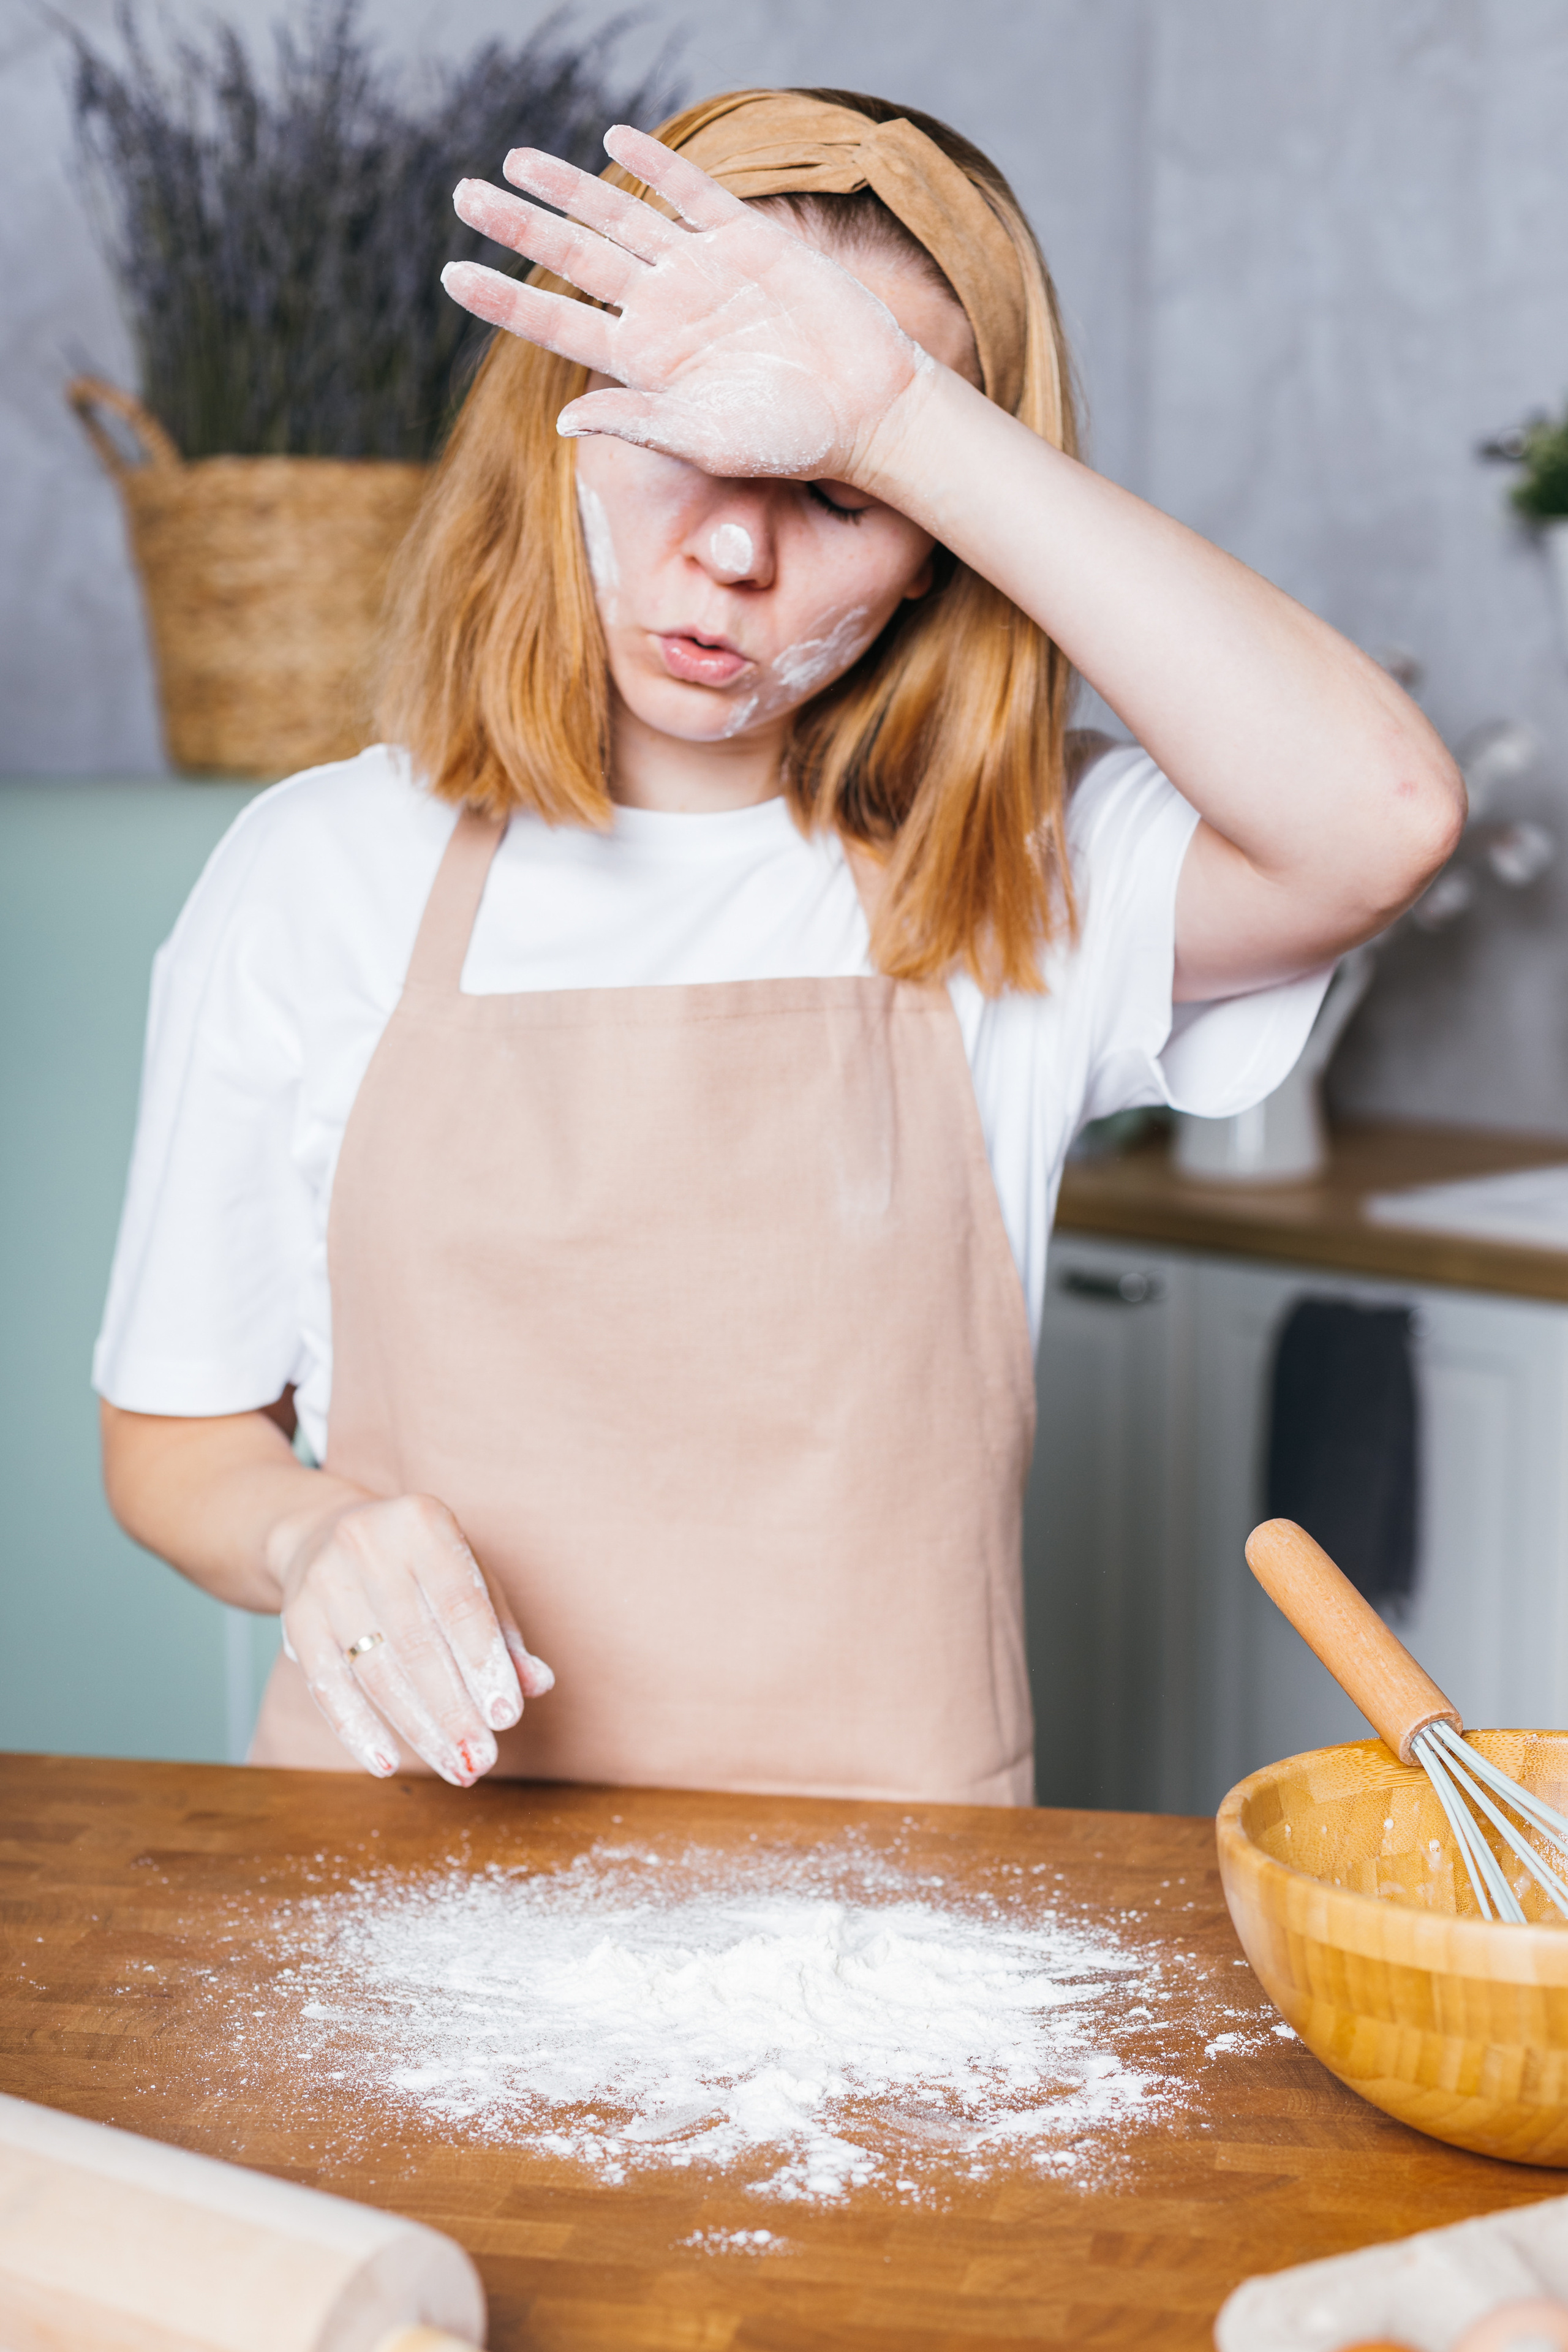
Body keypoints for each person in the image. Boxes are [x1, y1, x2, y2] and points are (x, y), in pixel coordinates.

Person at [95, 89, 1463, 1806]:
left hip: (887, 1939)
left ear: (929, 559)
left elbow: (1385, 813)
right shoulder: (322, 871)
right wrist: (311, 1544)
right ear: (562, 427)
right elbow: (175, 1439)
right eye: (676, 430)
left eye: (830, 495)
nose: (732, 550)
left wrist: (901, 414)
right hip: (391, 1906)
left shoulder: (1019, 874)